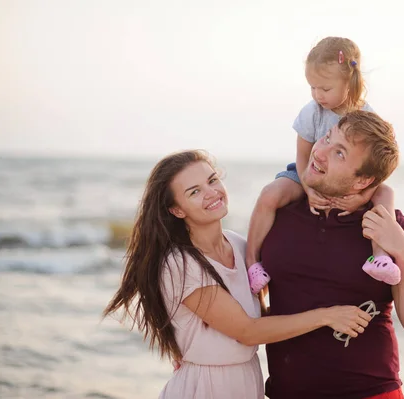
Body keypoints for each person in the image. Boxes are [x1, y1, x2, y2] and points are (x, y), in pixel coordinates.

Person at [102, 150, 373, 399]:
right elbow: (247, 331)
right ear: (177, 210)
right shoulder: (181, 265)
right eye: (194, 192)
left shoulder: (239, 245)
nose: (211, 193)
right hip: (205, 386)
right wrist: (328, 315)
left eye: (212, 180)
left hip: (246, 378)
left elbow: (267, 313)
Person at [261, 111, 404, 399]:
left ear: (363, 180)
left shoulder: (390, 229)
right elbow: (249, 302)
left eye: (339, 154)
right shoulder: (279, 214)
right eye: (326, 138)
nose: (319, 153)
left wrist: (401, 247)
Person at [246, 37, 400, 295]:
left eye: (325, 89)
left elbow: (377, 165)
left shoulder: (367, 117)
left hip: (345, 177)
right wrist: (308, 190)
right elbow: (302, 157)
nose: (318, 95)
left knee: (387, 193)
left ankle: (380, 257)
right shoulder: (312, 112)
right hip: (305, 172)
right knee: (269, 194)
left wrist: (361, 197)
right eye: (312, 88)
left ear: (350, 83)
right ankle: (252, 262)